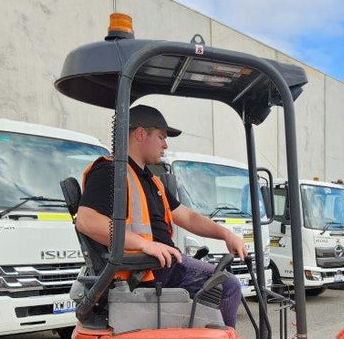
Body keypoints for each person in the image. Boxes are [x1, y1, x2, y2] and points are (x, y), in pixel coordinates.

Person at [75, 105, 246, 327]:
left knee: (219, 278)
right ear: (140, 134)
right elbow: (86, 220)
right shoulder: (110, 171)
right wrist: (145, 245)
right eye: (161, 137)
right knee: (227, 287)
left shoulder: (149, 179)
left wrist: (226, 234)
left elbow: (188, 217)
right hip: (143, 271)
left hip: (156, 265)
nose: (165, 145)